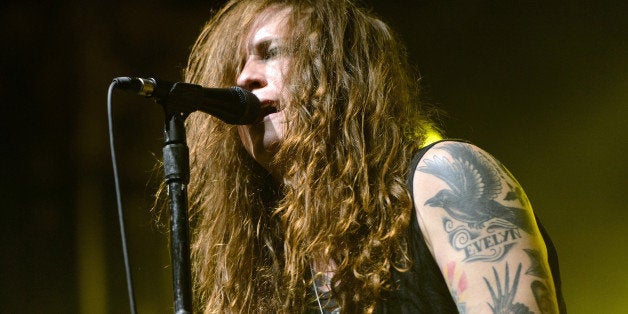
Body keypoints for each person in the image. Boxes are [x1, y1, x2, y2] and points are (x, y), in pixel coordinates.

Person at [177, 0, 566, 312]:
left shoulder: (444, 177)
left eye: (271, 52)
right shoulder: (270, 263)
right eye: (238, 66)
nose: (244, 78)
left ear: (339, 71)